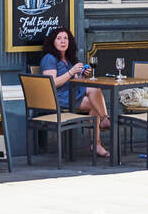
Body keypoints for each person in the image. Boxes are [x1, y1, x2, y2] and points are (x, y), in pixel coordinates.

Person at [39, 28, 110, 158]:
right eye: (59, 38)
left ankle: (97, 142)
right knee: (95, 93)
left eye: (65, 38)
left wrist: (82, 75)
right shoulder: (49, 58)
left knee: (95, 102)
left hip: (71, 94)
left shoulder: (68, 59)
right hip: (57, 98)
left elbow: (76, 83)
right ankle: (104, 121)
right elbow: (51, 83)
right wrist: (71, 72)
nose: (63, 41)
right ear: (52, 42)